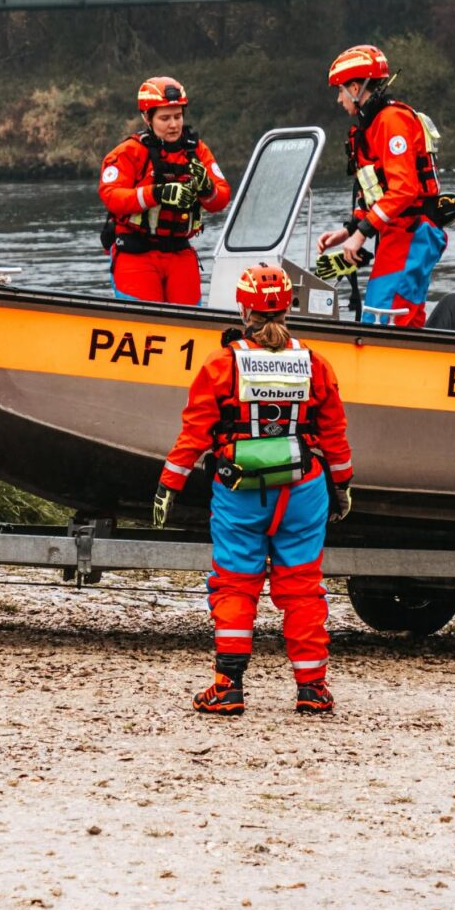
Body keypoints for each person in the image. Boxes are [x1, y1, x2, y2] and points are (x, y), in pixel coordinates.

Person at [152, 264, 353, 716]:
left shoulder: (221, 364)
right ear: (288, 308)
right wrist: (342, 484)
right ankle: (313, 689)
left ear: (243, 309)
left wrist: (169, 485)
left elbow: (195, 433)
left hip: (241, 486)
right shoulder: (315, 363)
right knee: (302, 587)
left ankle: (227, 687)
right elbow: (334, 434)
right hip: (304, 487)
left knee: (235, 584)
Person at [316, 44, 447, 327]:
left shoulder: (391, 121)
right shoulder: (371, 126)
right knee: (396, 317)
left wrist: (362, 234)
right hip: (397, 233)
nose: (339, 99)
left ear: (355, 88)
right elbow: (377, 193)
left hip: (412, 232)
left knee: (382, 318)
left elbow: (404, 189)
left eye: (340, 91)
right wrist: (349, 230)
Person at [98, 76, 231, 305]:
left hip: (179, 252)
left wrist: (206, 188)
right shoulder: (129, 152)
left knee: (190, 319)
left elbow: (221, 199)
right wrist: (158, 194)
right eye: (165, 118)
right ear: (147, 118)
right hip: (136, 252)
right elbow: (111, 196)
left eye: (178, 116)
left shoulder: (197, 151)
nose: (174, 125)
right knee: (144, 319)